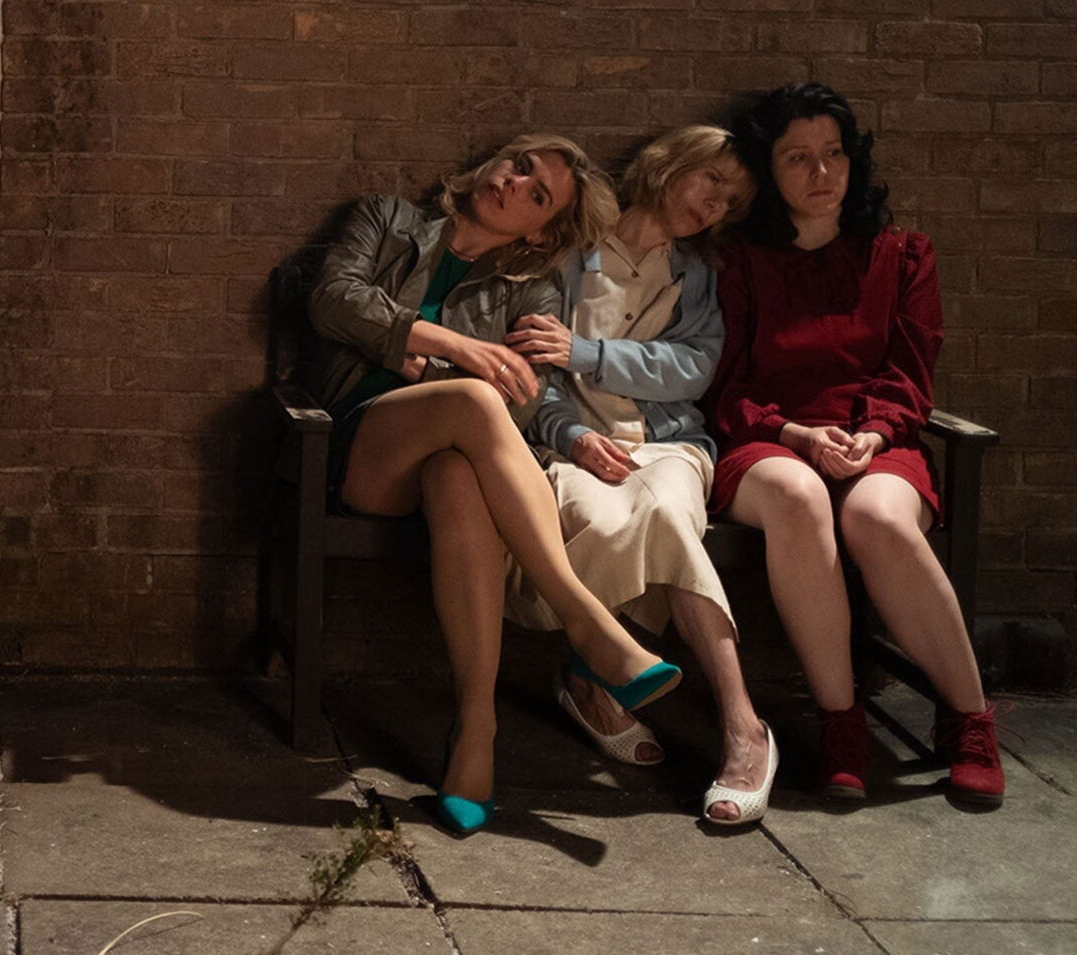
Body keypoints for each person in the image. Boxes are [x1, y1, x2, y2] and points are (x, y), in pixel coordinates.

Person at [309, 134, 680, 836]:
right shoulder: (388, 220)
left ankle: (474, 733)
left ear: (540, 230)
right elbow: (333, 299)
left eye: (537, 194)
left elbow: (521, 405)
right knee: (474, 398)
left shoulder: (530, 292)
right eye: (519, 165)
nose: (513, 183)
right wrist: (453, 347)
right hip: (351, 446)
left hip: (441, 465)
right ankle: (584, 618)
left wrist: (425, 364)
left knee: (458, 472)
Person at [710, 83, 1003, 807]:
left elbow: (910, 376)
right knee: (798, 494)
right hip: (769, 437)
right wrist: (795, 434)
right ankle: (841, 722)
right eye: (798, 157)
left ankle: (970, 720)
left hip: (878, 434)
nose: (822, 172)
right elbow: (724, 385)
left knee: (875, 515)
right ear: (768, 169)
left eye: (834, 153)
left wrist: (870, 435)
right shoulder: (739, 262)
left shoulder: (903, 256)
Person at [507, 126, 774, 825]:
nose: (715, 206)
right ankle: (590, 681)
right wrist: (571, 435)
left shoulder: (696, 274)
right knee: (600, 523)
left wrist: (587, 352)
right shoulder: (570, 251)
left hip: (669, 444)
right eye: (710, 182)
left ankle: (742, 725)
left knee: (667, 512)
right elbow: (532, 365)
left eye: (730, 200)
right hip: (573, 446)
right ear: (669, 164)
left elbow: (694, 369)